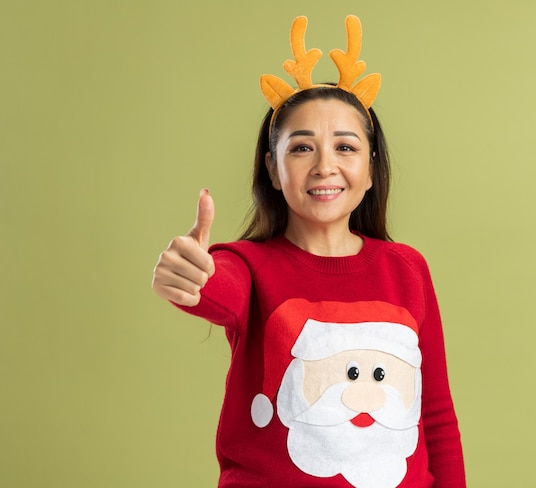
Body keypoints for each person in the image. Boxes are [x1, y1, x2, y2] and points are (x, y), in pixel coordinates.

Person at [152, 15, 466, 488]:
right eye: (301, 149)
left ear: (372, 167)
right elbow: (215, 287)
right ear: (273, 170)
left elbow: (436, 416)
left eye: (345, 147)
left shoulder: (408, 268)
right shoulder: (247, 266)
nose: (325, 166)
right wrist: (189, 275)